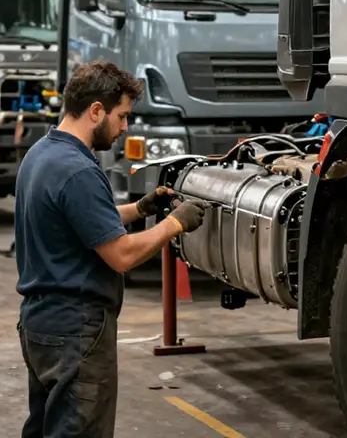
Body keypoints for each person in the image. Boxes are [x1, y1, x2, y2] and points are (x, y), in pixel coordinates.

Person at [13, 59, 207, 438]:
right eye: (121, 116)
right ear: (95, 110)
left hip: (39, 324)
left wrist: (138, 209)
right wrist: (174, 223)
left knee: (44, 429)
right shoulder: (80, 170)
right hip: (76, 330)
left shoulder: (41, 155)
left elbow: (77, 216)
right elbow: (121, 255)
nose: (124, 127)